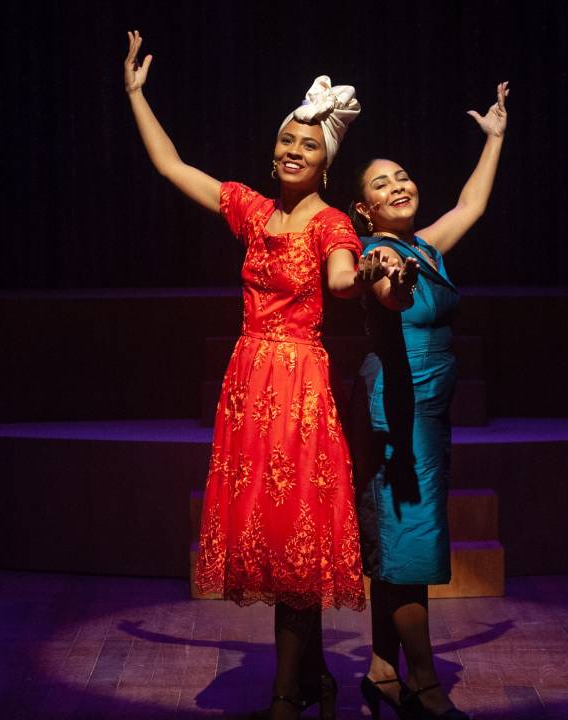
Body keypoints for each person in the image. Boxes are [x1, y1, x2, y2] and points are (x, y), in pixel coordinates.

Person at [123, 31, 378, 720]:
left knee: (294, 537)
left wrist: (362, 277)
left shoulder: (331, 227)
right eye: (288, 140)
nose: (296, 149)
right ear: (275, 151)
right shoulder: (252, 212)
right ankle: (318, 676)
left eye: (309, 143)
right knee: (271, 536)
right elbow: (173, 166)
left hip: (297, 385)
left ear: (326, 161)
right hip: (249, 383)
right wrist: (135, 95)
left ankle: (284, 694)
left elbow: (344, 280)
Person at [349, 81, 509, 720]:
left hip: (429, 413)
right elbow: (385, 289)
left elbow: (471, 202)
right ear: (364, 211)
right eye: (381, 184)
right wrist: (391, 281)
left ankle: (383, 669)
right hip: (397, 411)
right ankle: (423, 682)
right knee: (407, 541)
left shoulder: (428, 246)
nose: (398, 186)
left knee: (401, 549)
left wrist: (494, 140)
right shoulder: (381, 252)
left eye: (403, 177)